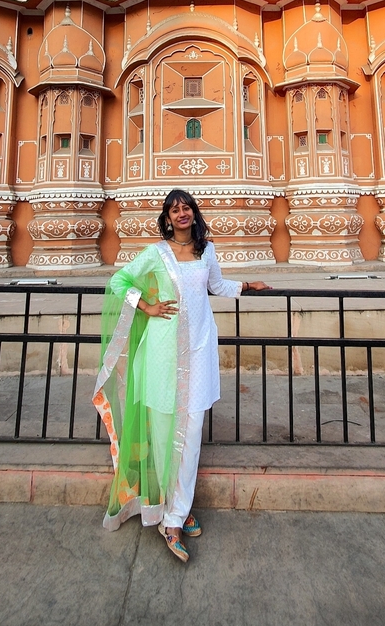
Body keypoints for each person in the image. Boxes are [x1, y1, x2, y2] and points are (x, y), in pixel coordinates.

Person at [93, 188, 270, 562]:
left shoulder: (207, 250)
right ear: (168, 218)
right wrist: (147, 306)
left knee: (190, 436)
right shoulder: (156, 254)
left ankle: (176, 514)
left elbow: (216, 286)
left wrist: (248, 286)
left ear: (193, 213)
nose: (181, 213)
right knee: (162, 435)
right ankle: (171, 514)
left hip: (200, 350)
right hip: (161, 355)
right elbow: (118, 282)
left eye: (186, 207)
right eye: (174, 210)